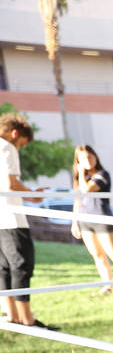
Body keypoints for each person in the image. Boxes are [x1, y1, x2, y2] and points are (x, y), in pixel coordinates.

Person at [0, 113, 53, 329]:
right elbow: (12, 183)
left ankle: (12, 315)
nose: (20, 148)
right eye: (21, 144)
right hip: (12, 218)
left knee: (3, 267)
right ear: (15, 133)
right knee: (22, 265)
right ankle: (27, 320)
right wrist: (33, 194)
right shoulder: (7, 148)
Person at [71, 144, 113, 293]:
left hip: (102, 220)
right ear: (78, 161)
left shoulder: (102, 175)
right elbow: (78, 199)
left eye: (90, 157)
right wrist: (74, 221)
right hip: (85, 221)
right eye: (83, 158)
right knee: (97, 255)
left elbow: (86, 190)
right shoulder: (81, 179)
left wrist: (80, 171)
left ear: (95, 157)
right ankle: (108, 285)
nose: (88, 161)